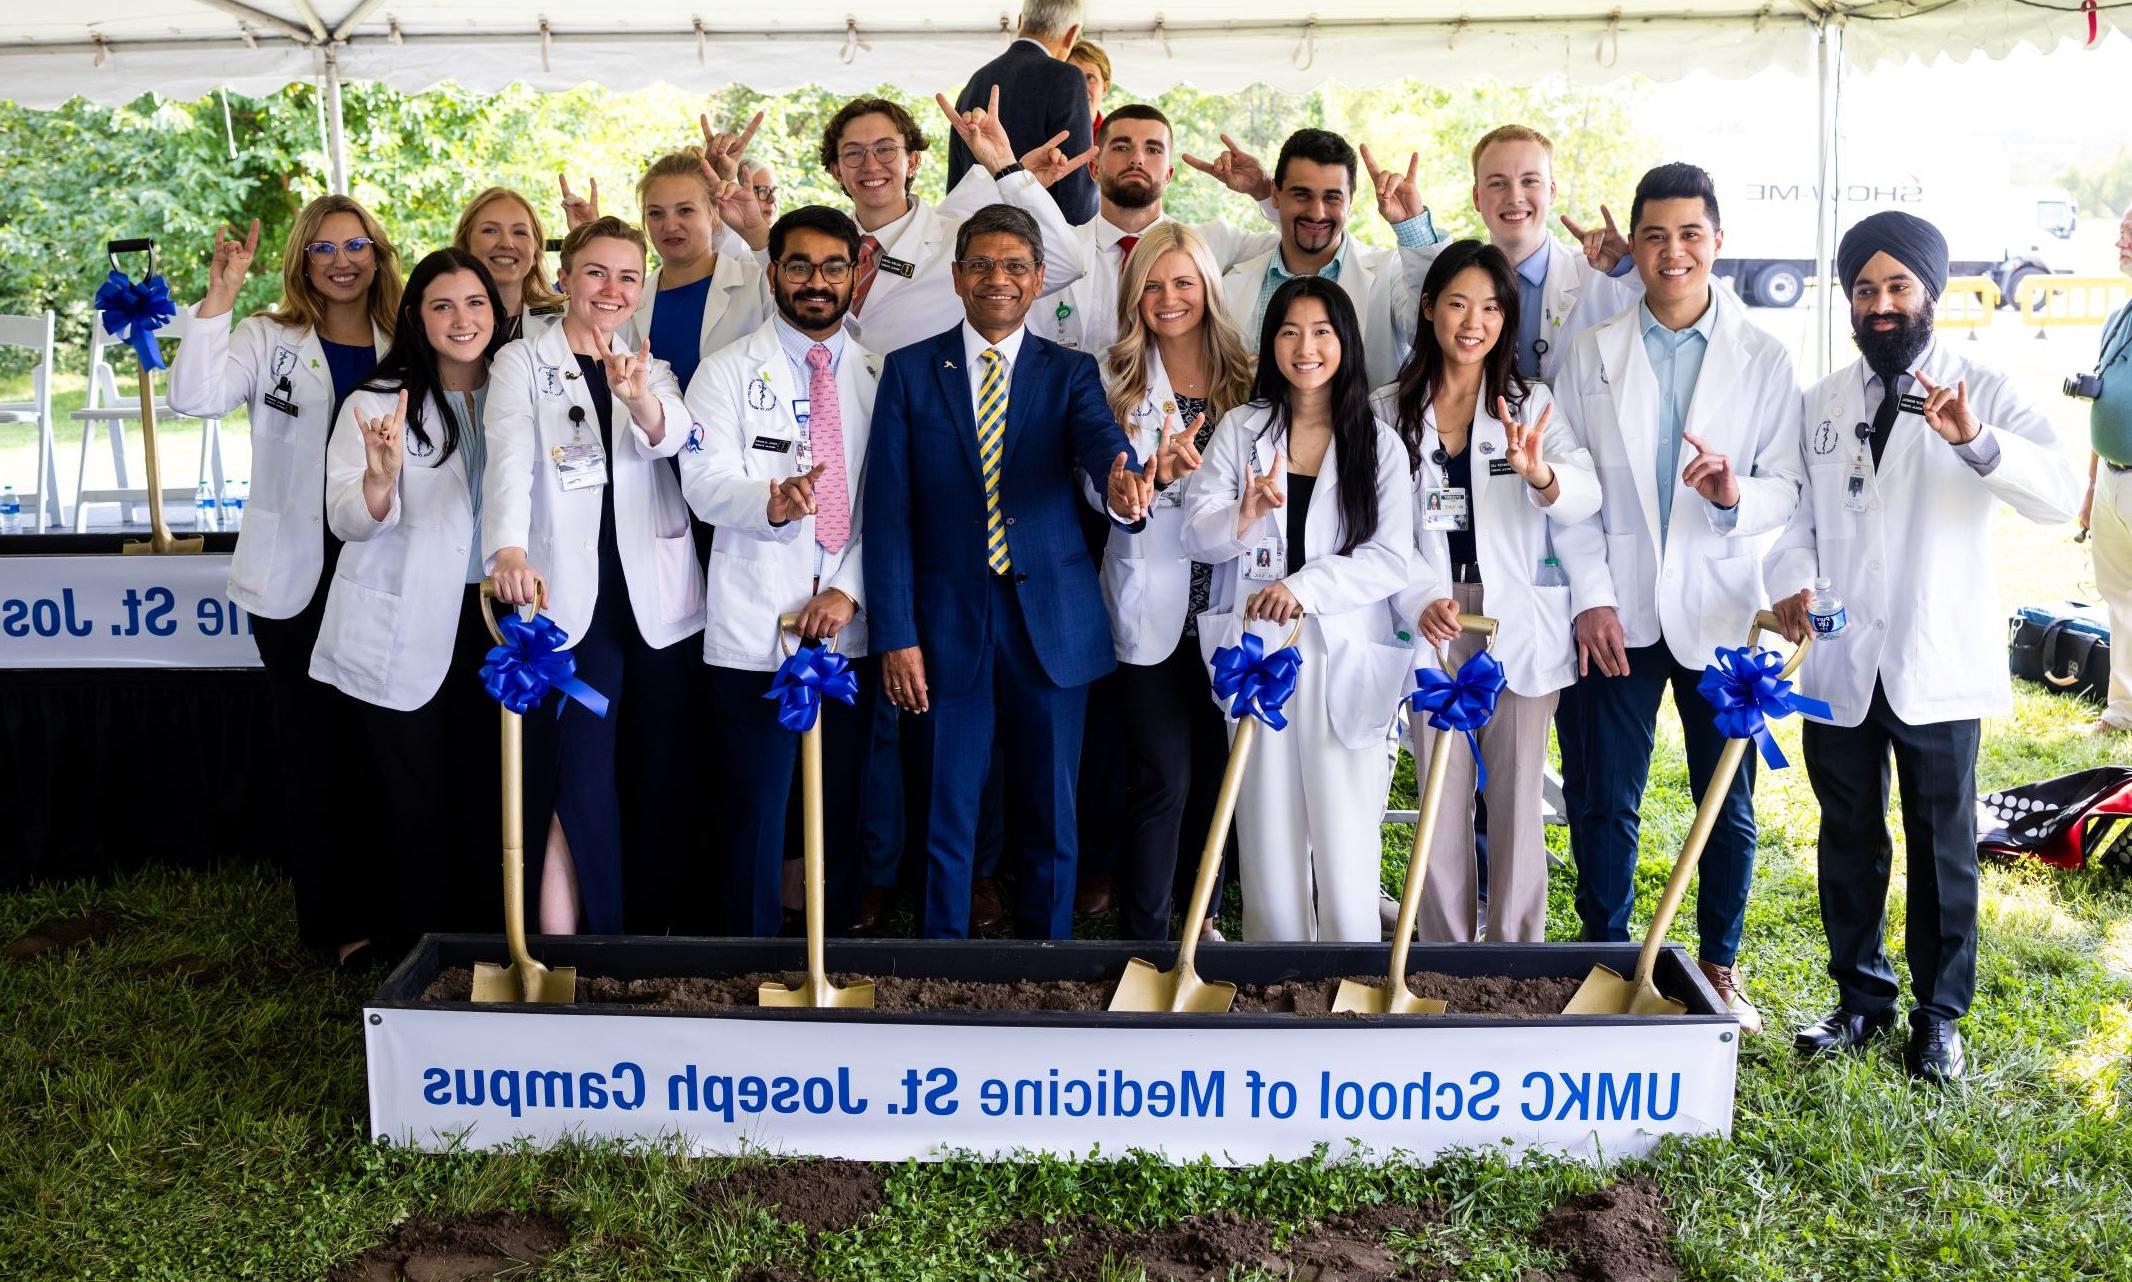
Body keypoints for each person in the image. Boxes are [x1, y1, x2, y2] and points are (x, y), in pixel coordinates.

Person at [1768, 211, 2082, 1082]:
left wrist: (1975, 442)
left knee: (1942, 846)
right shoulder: (1824, 400)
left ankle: (1939, 1016)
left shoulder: (1983, 386)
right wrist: (1790, 579)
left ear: (1931, 295)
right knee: (1848, 835)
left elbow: (2060, 495)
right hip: (1841, 658)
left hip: (1936, 659)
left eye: (1897, 287)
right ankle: (1860, 1000)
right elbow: (1796, 513)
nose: (1880, 305)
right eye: (1864, 290)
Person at [1551, 163, 1804, 1033]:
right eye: (1655, 235)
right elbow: (1573, 492)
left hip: (1721, 610)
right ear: (1634, 243)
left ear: (1719, 242)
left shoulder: (1765, 357)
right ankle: (1607, 953)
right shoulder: (1591, 354)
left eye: (1691, 234)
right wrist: (1589, 596)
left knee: (1723, 801)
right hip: (1616, 609)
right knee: (1603, 795)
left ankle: (1721, 965)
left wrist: (1735, 496)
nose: (1673, 252)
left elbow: (1788, 488)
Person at [864, 202, 1150, 940]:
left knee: (1050, 816)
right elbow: (889, 515)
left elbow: (1102, 444)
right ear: (957, 277)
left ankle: (1045, 965)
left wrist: (1125, 480)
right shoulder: (910, 373)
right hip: (945, 626)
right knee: (946, 810)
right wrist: (896, 635)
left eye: (1015, 267)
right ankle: (942, 968)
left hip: (1051, 627)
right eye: (983, 265)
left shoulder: (1069, 372)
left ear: (1036, 281)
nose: (998, 279)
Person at [167, 195, 399, 966]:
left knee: (379, 748)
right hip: (296, 579)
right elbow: (193, 398)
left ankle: (391, 914)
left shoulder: (405, 339)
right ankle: (331, 927)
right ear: (302, 260)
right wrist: (222, 297)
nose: (341, 261)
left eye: (355, 245)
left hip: (385, 569)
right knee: (314, 751)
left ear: (378, 253)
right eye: (323, 249)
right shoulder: (268, 337)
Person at [484, 216, 702, 938]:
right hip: (568, 604)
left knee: (662, 769)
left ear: (643, 289)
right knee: (579, 777)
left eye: (628, 276)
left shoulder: (650, 363)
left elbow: (676, 435)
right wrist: (507, 552)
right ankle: (581, 938)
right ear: (567, 277)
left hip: (658, 603)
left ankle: (661, 927)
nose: (612, 289)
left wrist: (637, 395)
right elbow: (510, 461)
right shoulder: (522, 363)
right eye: (597, 273)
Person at [1181, 276, 1414, 942]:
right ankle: (1274, 975)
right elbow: (1195, 534)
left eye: (1320, 332)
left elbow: (1391, 557)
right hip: (1258, 650)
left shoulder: (1379, 442)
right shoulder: (1242, 430)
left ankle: (1352, 981)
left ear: (1345, 342)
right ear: (1270, 343)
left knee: (1346, 828)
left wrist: (1305, 588)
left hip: (1341, 650)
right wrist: (1244, 513)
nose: (1304, 348)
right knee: (1266, 826)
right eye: (1288, 332)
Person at [1381, 240, 1598, 944]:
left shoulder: (1529, 403)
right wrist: (1420, 597)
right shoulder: (1388, 410)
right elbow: (1377, 525)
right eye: (1457, 304)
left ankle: (1515, 953)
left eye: (1491, 307)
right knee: (1440, 791)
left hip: (1515, 619)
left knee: (1515, 793)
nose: (1473, 322)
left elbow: (1583, 492)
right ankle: (1445, 950)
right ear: (1428, 308)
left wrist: (1540, 476)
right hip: (1434, 616)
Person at [681, 205, 881, 936]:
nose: (816, 282)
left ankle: (832, 954)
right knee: (755, 811)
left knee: (841, 803)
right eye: (799, 266)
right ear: (774, 275)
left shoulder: (879, 373)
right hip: (754, 628)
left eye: (834, 266)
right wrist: (768, 504)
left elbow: (888, 506)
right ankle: (750, 955)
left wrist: (849, 591)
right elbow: (701, 483)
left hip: (844, 630)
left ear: (857, 275)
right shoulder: (727, 371)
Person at [311, 248, 509, 953]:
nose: (462, 320)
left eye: (476, 303)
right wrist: (379, 480)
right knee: (413, 796)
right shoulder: (372, 403)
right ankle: (418, 952)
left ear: (498, 308)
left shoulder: (522, 391)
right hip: (406, 619)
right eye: (443, 306)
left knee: (490, 790)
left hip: (500, 621)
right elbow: (345, 518)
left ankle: (488, 946)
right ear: (416, 318)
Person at [1096, 222, 1258, 941]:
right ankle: (1150, 934)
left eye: (1183, 283)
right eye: (1152, 286)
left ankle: (1206, 916)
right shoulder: (1113, 381)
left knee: (1220, 773)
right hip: (1153, 604)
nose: (1168, 299)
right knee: (1164, 777)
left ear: (1209, 291)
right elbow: (1090, 491)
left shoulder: (1251, 383)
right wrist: (1147, 479)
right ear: (1134, 297)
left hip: (1230, 606)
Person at [816, 90, 1092, 359]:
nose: (871, 164)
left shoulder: (963, 244)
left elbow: (1065, 264)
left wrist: (1007, 169)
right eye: (853, 153)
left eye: (885, 149)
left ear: (912, 161)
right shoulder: (817, 248)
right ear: (836, 171)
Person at [1185, 128, 1439, 382]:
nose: (1317, 213)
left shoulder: (1387, 273)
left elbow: (1434, 332)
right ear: (1275, 194)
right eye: (1302, 195)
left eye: (1332, 197)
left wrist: (1412, 226)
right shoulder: (1236, 273)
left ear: (1351, 199)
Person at [1403, 125, 1640, 385]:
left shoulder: (1604, 277)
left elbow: (1668, 312)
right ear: (1477, 197)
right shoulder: (1458, 275)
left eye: (1530, 181)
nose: (1515, 197)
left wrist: (1628, 268)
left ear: (1551, 191)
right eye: (1498, 183)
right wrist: (1411, 224)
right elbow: (1424, 335)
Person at [1040, 104, 1281, 356]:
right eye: (1122, 147)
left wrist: (1264, 191)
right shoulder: (1056, 250)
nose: (1137, 159)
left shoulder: (1211, 242)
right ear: (1094, 168)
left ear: (1168, 175)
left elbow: (1304, 251)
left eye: (1153, 149)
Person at [946, 0, 1098, 224]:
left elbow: (956, 185)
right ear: (1072, 33)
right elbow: (1075, 188)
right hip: (1038, 244)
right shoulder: (1066, 77)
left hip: (975, 241)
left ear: (1019, 22)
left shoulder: (976, 81)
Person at [2080, 201, 2132, 735]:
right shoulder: (2119, 317)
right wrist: (2091, 485)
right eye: (2121, 229)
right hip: (2113, 480)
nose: (2122, 239)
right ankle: (2122, 712)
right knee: (2120, 602)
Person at [452, 187, 564, 342]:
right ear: (465, 245)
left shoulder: (567, 318)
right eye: (490, 230)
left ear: (536, 253)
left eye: (519, 232)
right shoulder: (438, 321)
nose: (506, 243)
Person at [1068, 39, 1110, 136]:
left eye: (1089, 78)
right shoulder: (1041, 134)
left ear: (1105, 88)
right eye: (1071, 76)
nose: (1081, 87)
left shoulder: (1114, 138)